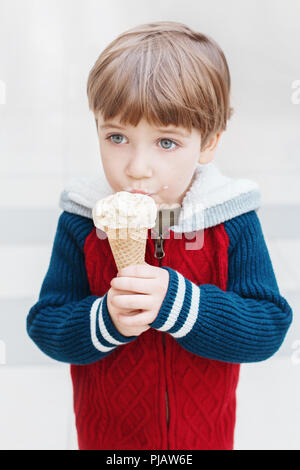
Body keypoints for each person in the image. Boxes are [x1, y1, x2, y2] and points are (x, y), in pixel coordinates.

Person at [26, 21, 293, 450]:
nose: (136, 166)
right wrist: (104, 320)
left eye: (166, 143)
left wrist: (183, 306)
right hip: (107, 438)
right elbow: (46, 322)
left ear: (208, 143)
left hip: (203, 438)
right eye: (117, 137)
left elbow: (269, 327)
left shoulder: (232, 219)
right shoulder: (82, 220)